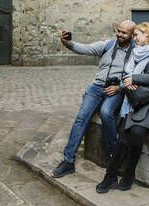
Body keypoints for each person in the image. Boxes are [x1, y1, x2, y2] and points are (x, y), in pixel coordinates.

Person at [95, 22, 149, 193]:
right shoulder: (137, 51)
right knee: (123, 136)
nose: (134, 38)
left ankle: (129, 175)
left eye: (137, 34)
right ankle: (110, 176)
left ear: (147, 34)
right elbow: (127, 74)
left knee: (136, 133)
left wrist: (135, 79)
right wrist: (127, 82)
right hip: (134, 99)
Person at [51, 20, 136, 178]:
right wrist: (68, 43)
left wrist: (120, 88)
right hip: (96, 88)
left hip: (116, 90)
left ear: (132, 35)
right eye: (118, 31)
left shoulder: (136, 51)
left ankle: (113, 155)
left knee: (106, 112)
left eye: (124, 33)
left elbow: (137, 76)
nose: (119, 34)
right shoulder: (109, 45)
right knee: (81, 118)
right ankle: (68, 161)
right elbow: (86, 48)